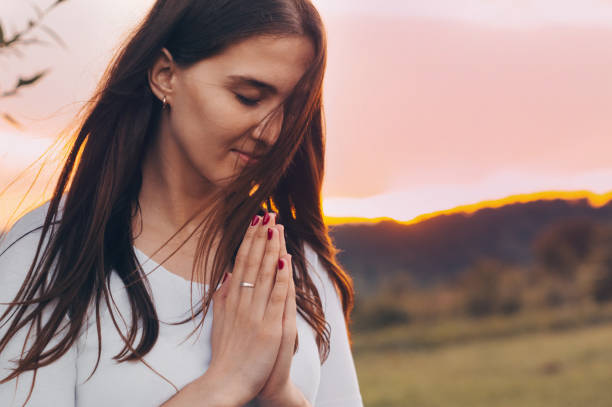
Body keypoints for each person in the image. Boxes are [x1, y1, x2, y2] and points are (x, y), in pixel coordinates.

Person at [0, 0, 363, 406]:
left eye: (292, 110)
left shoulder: (297, 261)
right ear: (164, 75)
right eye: (248, 97)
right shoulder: (47, 252)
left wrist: (279, 395)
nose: (272, 133)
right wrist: (226, 382)